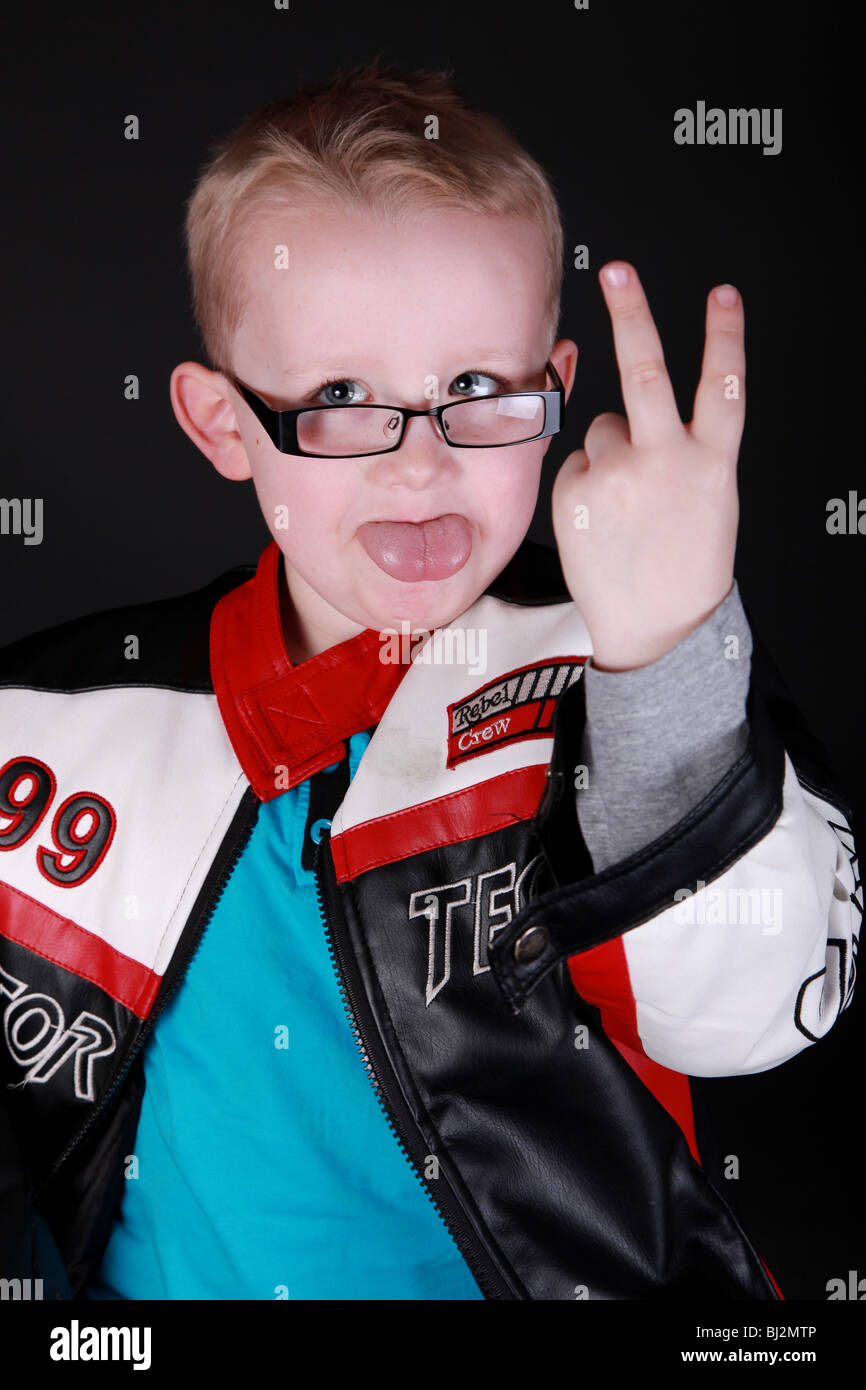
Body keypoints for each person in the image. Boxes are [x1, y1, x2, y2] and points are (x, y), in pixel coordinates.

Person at [0, 60, 859, 1301]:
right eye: (341, 397)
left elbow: (753, 1013)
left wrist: (668, 646)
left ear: (554, 392)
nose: (421, 462)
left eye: (474, 389)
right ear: (223, 425)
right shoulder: (56, 726)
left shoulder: (619, 666)